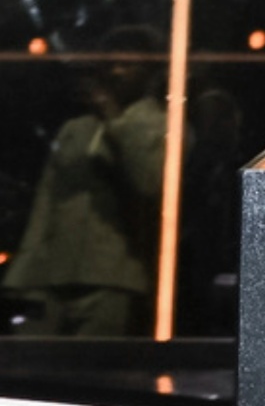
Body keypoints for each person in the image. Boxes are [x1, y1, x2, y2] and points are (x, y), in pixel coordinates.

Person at [2, 26, 167, 336]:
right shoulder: (76, 129)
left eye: (128, 64)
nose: (117, 72)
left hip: (113, 275)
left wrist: (113, 118)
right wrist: (25, 269)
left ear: (150, 72)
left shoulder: (161, 126)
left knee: (93, 360)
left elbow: (149, 182)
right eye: (111, 63)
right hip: (51, 271)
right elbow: (47, 202)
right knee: (30, 357)